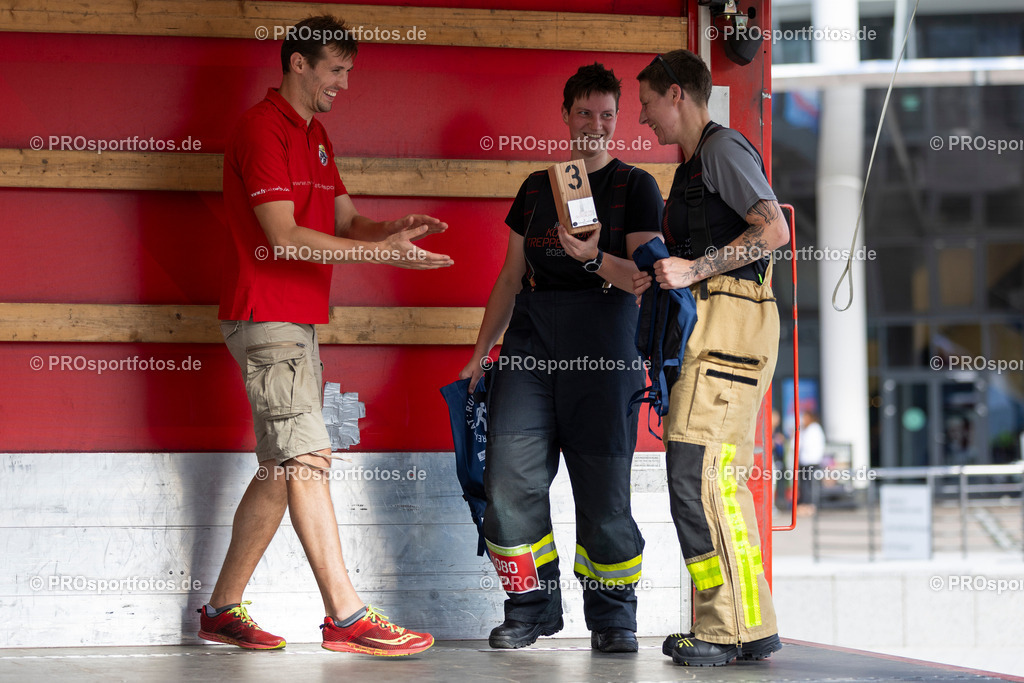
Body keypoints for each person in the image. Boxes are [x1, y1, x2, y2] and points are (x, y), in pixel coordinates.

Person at [199, 14, 452, 656]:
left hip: (298, 321)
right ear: (298, 63)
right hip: (267, 317)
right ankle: (347, 616)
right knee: (308, 459)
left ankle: (222, 609)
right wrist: (380, 256)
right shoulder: (262, 131)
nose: (343, 82)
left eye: (347, 71)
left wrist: (392, 230)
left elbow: (345, 219)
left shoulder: (315, 134)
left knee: (284, 467)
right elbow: (282, 237)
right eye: (335, 69)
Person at [459, 63, 663, 653]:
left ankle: (613, 617)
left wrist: (595, 257)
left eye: (607, 115)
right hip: (530, 343)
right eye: (585, 114)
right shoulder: (534, 188)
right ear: (566, 115)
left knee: (604, 490)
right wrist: (482, 352)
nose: (595, 125)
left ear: (617, 118)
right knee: (508, 479)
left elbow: (642, 282)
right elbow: (509, 277)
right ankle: (529, 606)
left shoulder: (635, 186)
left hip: (605, 345)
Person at [633, 50, 790, 667]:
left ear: (677, 94)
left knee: (699, 476)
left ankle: (730, 628)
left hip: (731, 329)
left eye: (646, 104)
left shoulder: (721, 151)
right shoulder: (694, 166)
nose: (643, 118)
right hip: (715, 332)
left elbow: (773, 230)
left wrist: (694, 268)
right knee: (709, 479)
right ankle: (743, 624)